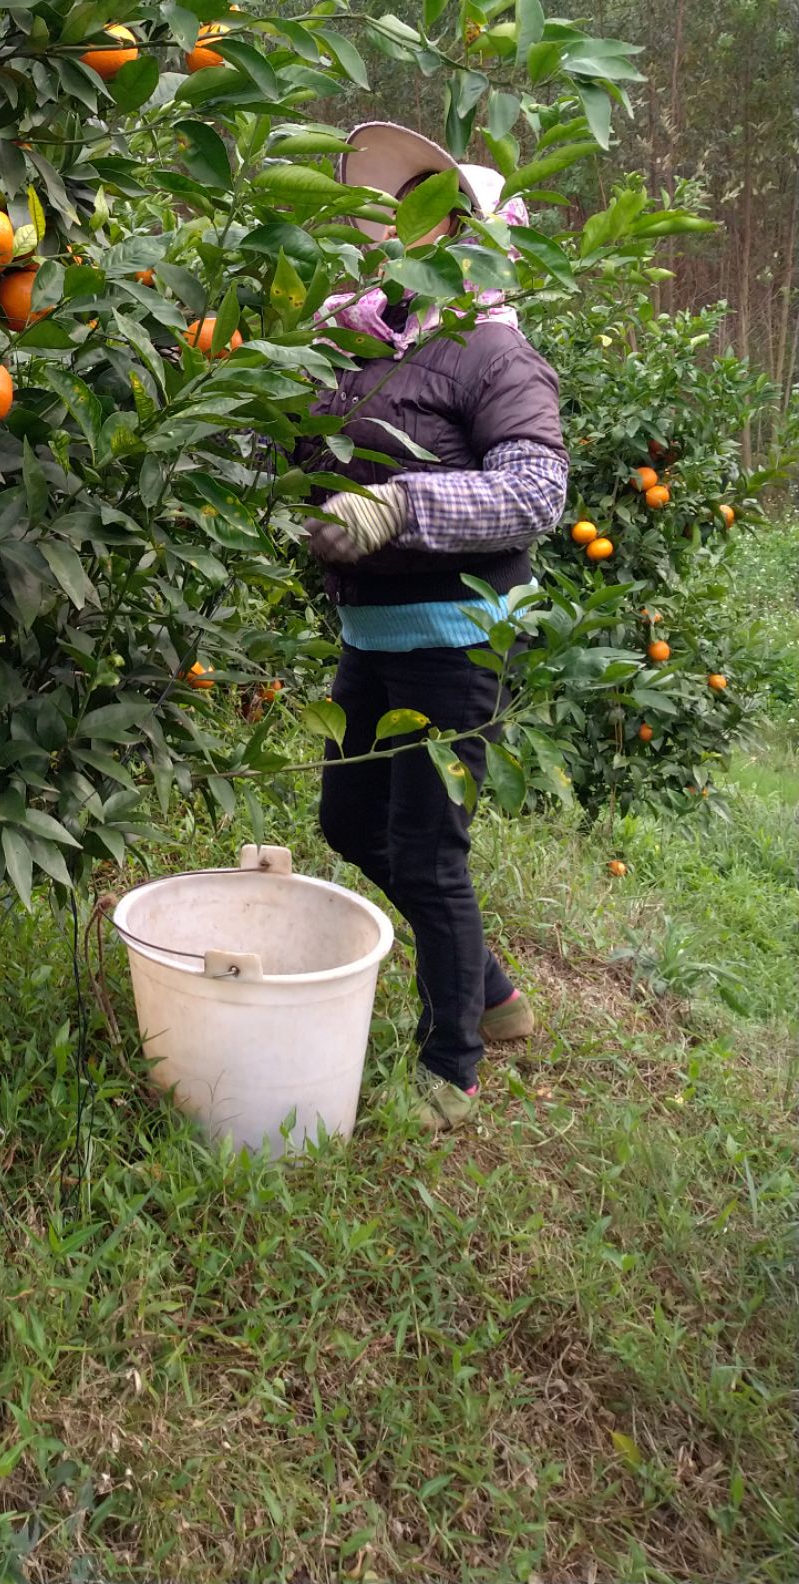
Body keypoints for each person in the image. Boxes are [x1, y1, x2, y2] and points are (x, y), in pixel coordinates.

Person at [301, 121, 569, 1132]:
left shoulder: (496, 355)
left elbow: (539, 491)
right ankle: (491, 992)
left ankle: (452, 1063)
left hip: (455, 637)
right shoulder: (372, 339)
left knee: (427, 851)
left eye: (443, 217)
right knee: (347, 823)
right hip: (372, 633)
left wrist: (399, 507)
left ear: (480, 235)